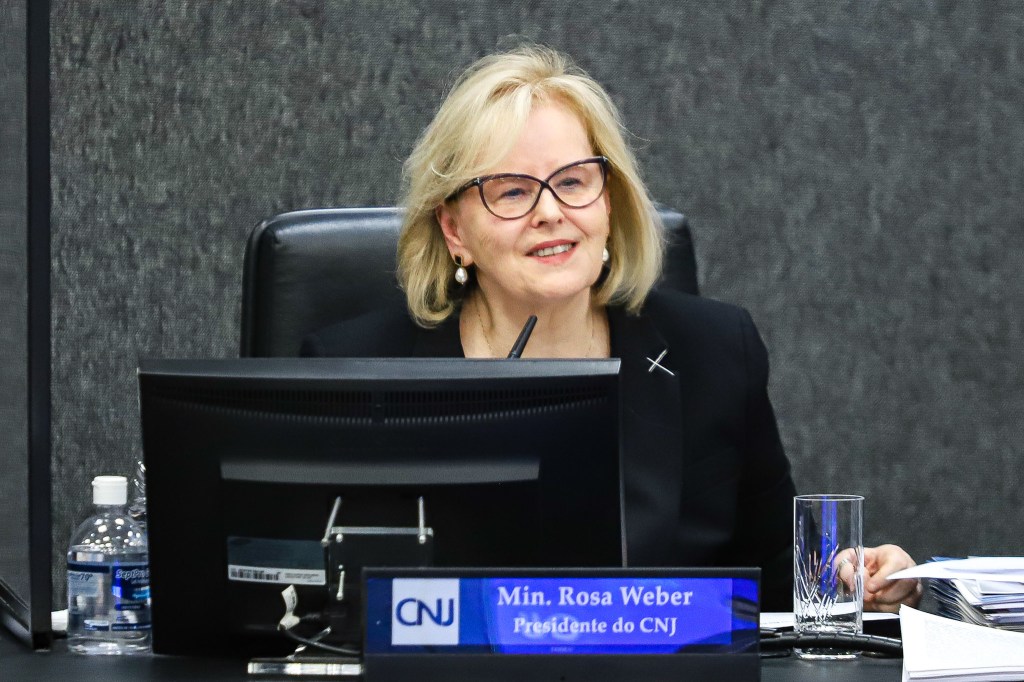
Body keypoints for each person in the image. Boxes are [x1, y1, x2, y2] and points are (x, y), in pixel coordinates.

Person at [302, 45, 921, 612]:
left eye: (573, 181)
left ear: (608, 203)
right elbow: (309, 596)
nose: (551, 212)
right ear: (455, 232)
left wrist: (850, 579)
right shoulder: (356, 369)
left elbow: (782, 581)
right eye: (512, 191)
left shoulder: (713, 352)